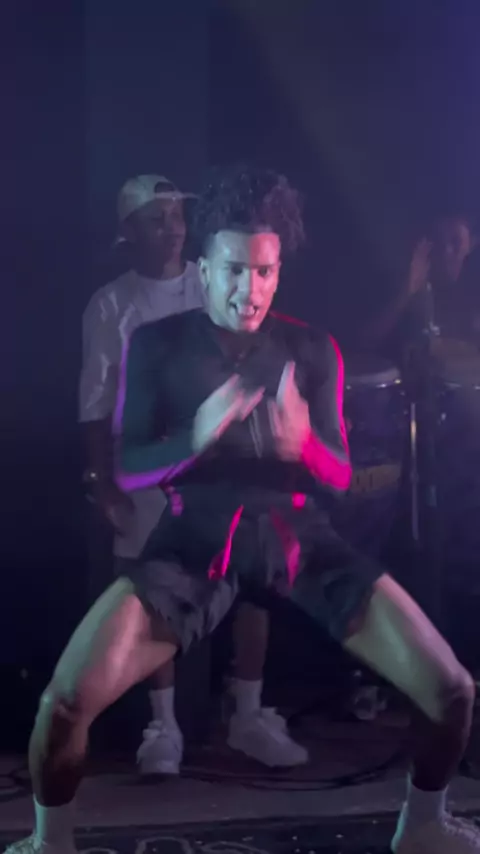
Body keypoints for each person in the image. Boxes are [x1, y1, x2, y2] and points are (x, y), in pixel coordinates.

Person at [8, 165, 479, 854]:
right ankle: (49, 843)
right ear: (203, 270)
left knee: (454, 691)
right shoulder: (158, 344)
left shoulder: (311, 349)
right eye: (234, 270)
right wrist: (194, 439)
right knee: (64, 703)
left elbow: (341, 475)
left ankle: (424, 826)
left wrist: (304, 446)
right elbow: (131, 465)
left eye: (265, 271)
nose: (249, 289)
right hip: (193, 545)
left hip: (299, 542)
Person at [79, 173, 305, 775]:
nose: (171, 228)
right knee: (159, 591)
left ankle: (247, 714)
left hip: (231, 463)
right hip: (153, 466)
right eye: (156, 219)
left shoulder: (215, 275)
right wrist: (103, 483)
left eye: (177, 215)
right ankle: (163, 726)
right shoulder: (112, 305)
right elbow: (95, 404)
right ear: (128, 232)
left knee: (255, 574)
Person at [365, 212, 478, 363]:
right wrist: (406, 292)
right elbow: (367, 341)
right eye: (439, 241)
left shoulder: (474, 287)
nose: (446, 250)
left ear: (472, 243)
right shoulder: (415, 280)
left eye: (455, 241)